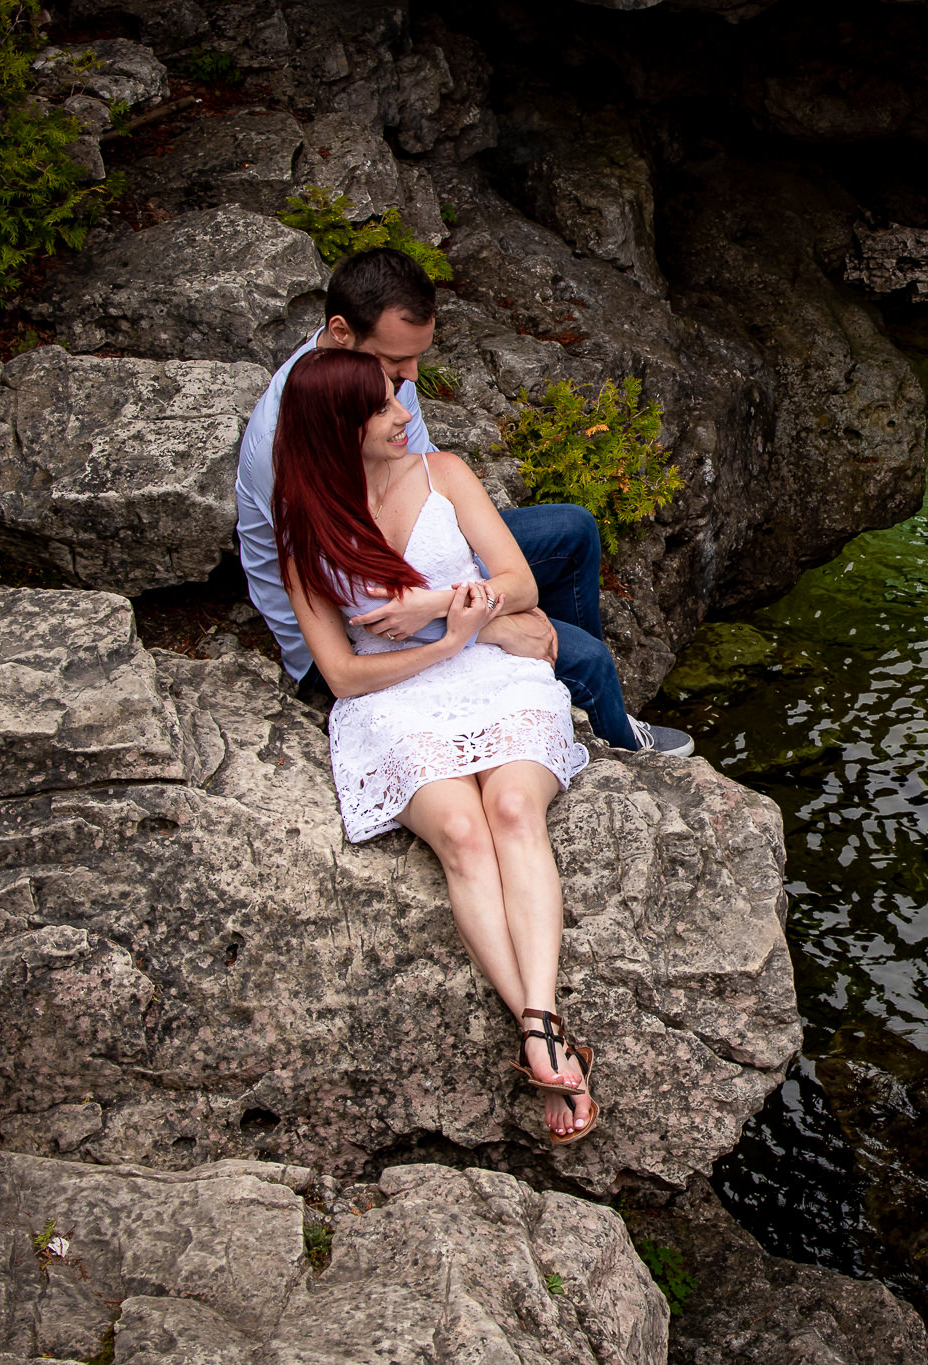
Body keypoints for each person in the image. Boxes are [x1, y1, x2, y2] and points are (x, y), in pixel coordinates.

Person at [274, 345, 600, 1143]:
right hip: (395, 696)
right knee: (461, 833)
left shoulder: (445, 473)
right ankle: (543, 1034)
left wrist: (436, 608)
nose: (403, 414)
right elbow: (346, 674)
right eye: (384, 406)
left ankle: (538, 1022)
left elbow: (518, 582)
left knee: (516, 809)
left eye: (397, 397)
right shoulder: (305, 533)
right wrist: (437, 644)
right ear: (337, 428)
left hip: (491, 669)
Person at [236, 247, 691, 757]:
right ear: (341, 333)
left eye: (416, 357)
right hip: (352, 616)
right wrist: (489, 623)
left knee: (572, 529)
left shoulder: (382, 380)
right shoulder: (290, 434)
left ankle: (556, 687)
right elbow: (356, 587)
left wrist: (479, 590)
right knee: (584, 657)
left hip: (412, 569)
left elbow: (423, 487)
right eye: (394, 360)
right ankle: (608, 732)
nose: (410, 376)